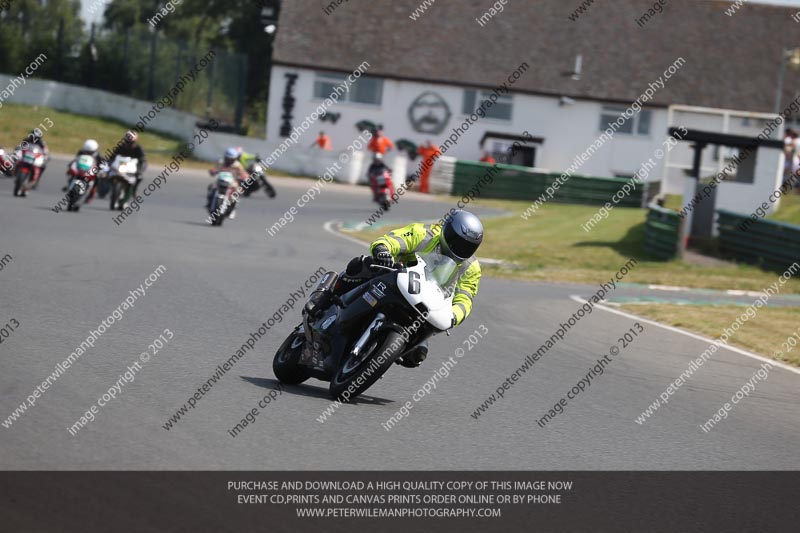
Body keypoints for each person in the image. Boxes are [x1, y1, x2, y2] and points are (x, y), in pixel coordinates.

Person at [332, 210, 483, 368]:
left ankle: (374, 357)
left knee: (417, 355)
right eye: (456, 241)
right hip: (393, 279)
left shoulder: (471, 268)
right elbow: (393, 240)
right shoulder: (424, 234)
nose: (460, 248)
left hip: (423, 305)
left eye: (467, 247)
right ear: (447, 231)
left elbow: (465, 298)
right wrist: (383, 250)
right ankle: (325, 298)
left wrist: (454, 316)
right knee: (362, 265)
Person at [207, 147, 248, 218]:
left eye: (231, 159)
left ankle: (233, 209)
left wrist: (245, 177)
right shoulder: (221, 162)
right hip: (220, 181)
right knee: (211, 187)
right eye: (228, 158)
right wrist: (212, 171)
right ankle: (210, 203)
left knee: (238, 192)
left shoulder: (237, 165)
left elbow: (243, 173)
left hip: (232, 183)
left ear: (234, 159)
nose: (229, 161)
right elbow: (214, 168)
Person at [109, 130, 147, 196]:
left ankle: (134, 190)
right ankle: (107, 189)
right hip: (120, 165)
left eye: (130, 142)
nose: (128, 143)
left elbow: (142, 160)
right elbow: (112, 156)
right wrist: (110, 163)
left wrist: (139, 170)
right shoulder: (120, 147)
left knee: (139, 177)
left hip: (132, 166)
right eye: (127, 141)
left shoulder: (138, 148)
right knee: (106, 174)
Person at [15, 129, 50, 195]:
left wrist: (46, 156)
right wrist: (17, 150)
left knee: (43, 166)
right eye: (33, 137)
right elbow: (19, 147)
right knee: (17, 161)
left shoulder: (42, 143)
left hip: (34, 158)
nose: (34, 138)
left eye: (36, 137)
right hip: (25, 156)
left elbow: (45, 151)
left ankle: (36, 180)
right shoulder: (26, 140)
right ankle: (15, 172)